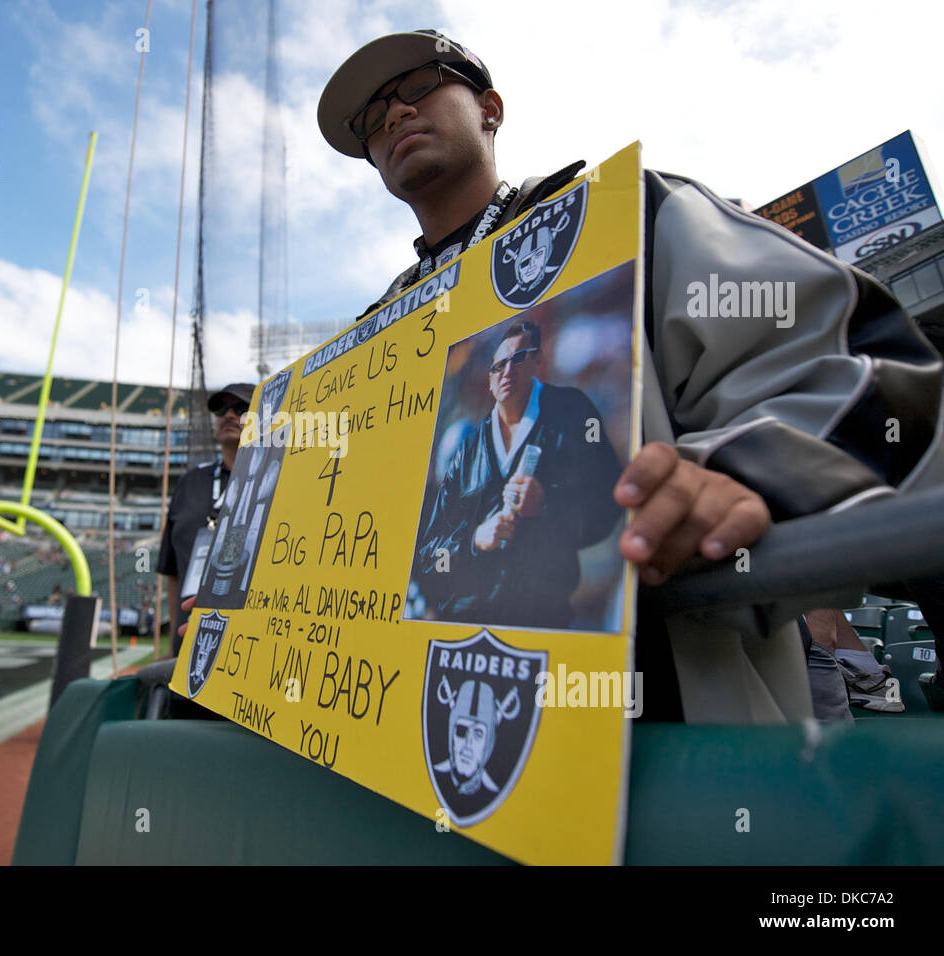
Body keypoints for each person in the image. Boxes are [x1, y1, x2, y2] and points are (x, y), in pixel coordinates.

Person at [316, 30, 944, 722]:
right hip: (414, 721)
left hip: (665, 725)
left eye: (417, 86)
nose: (395, 115)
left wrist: (739, 475)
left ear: (489, 107)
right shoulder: (371, 343)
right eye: (372, 119)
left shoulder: (626, 215)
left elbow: (868, 369)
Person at [414, 319, 623, 627]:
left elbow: (607, 509)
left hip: (549, 622)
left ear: (539, 360)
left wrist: (545, 505)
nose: (507, 373)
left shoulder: (572, 415)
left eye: (518, 359)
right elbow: (434, 552)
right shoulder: (464, 444)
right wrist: (475, 540)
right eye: (497, 365)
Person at [157, 383, 254, 654]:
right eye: (222, 409)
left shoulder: (277, 478)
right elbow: (173, 570)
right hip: (187, 640)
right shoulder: (190, 481)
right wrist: (173, 642)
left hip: (244, 643)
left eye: (242, 408)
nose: (229, 415)